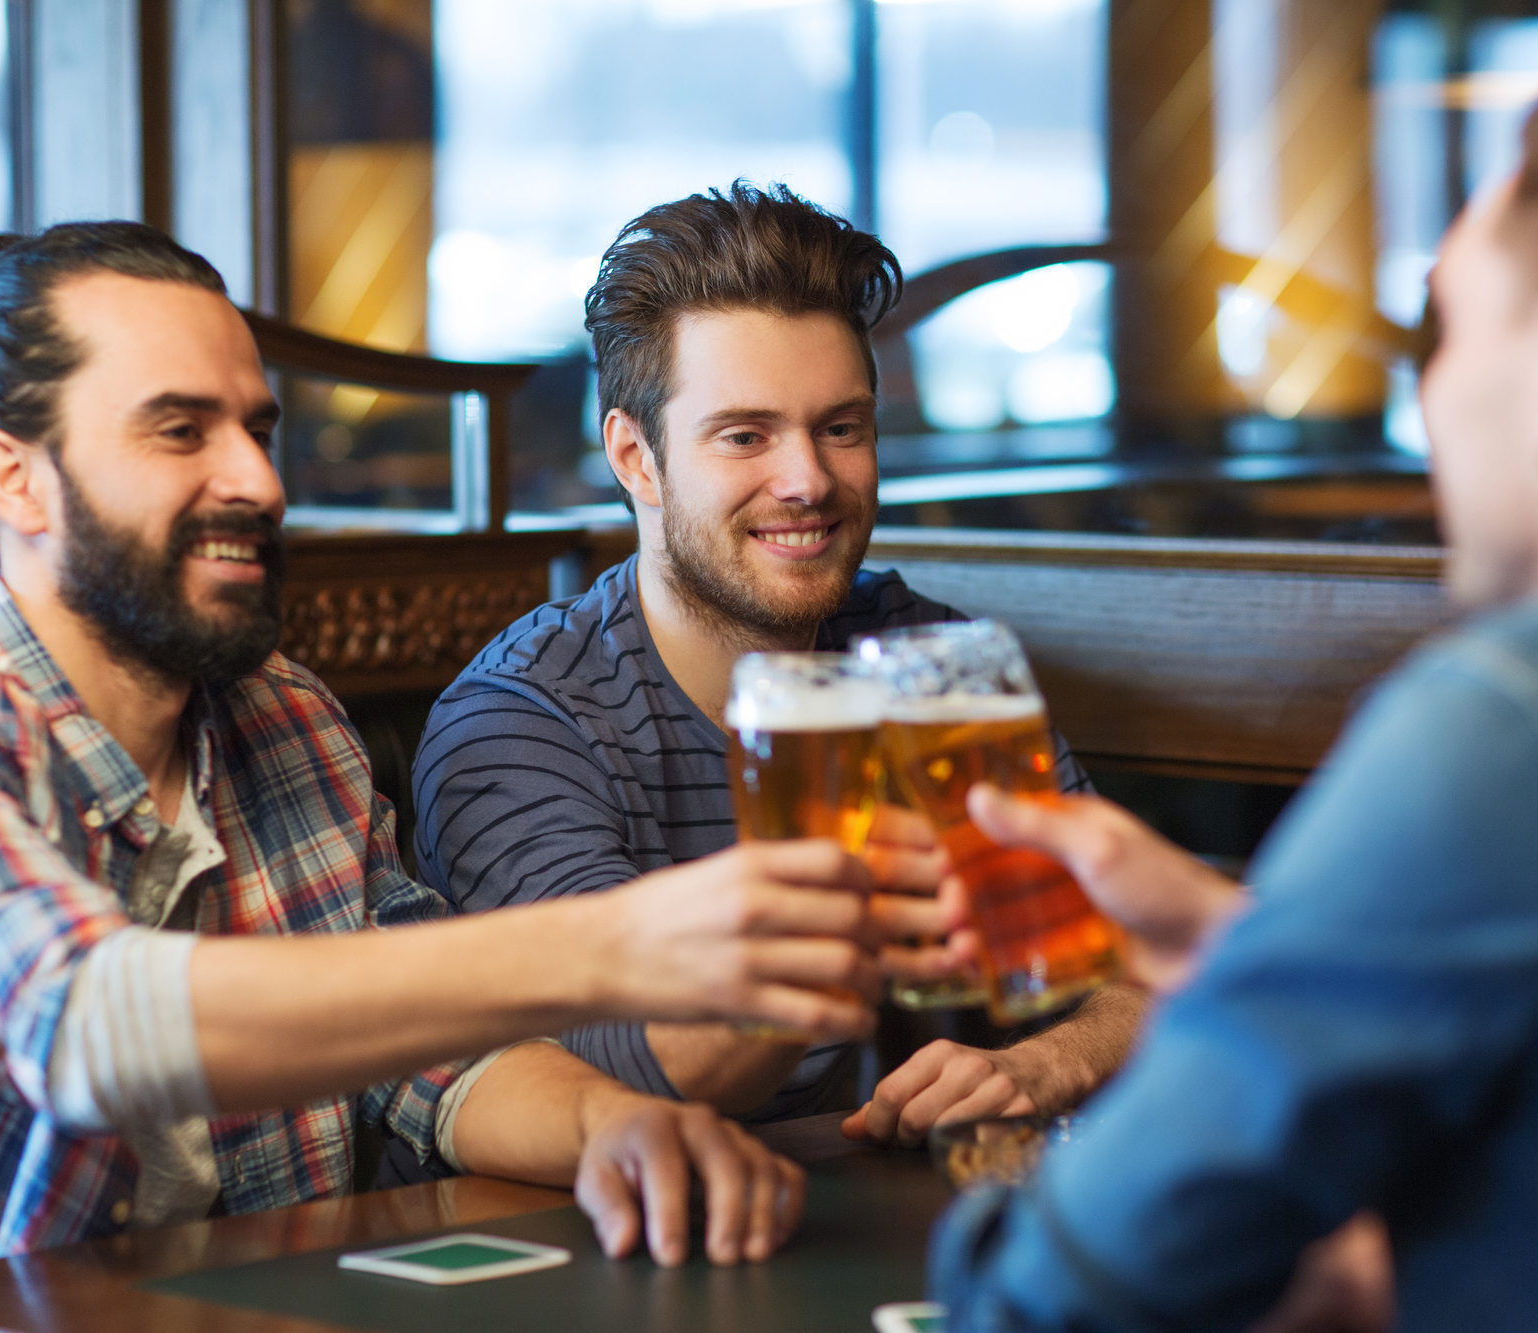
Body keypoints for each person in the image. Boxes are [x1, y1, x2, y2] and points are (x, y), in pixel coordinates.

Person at [0, 223, 951, 1323]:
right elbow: (79, 1023)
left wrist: (612, 1124)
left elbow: (429, 1067)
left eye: (258, 430)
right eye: (181, 431)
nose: (257, 483)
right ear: (13, 478)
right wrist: (625, 941)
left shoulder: (283, 714)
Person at [930, 47, 1538, 1332]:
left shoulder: (1518, 730)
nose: (1427, 398)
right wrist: (1253, 943)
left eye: (1450, 331)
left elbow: (1053, 1293)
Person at [408, 183, 1143, 1160]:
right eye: (744, 435)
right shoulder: (524, 724)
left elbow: (1139, 960)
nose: (805, 479)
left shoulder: (922, 662)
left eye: (840, 427)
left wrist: (1047, 1060)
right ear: (635, 458)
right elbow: (624, 1060)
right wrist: (848, 899)